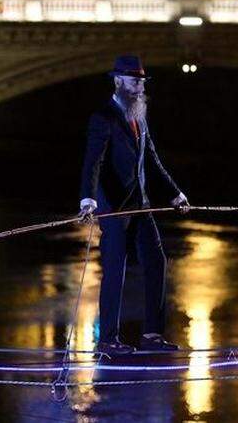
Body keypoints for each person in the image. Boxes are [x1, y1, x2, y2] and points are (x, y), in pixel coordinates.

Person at [78, 55, 190, 355]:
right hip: (114, 208)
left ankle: (152, 334)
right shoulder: (103, 117)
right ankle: (108, 340)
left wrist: (175, 194)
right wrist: (88, 199)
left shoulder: (139, 115)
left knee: (157, 261)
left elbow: (151, 160)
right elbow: (93, 162)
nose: (139, 87)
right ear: (118, 81)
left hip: (141, 204)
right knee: (115, 269)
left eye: (141, 82)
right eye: (133, 81)